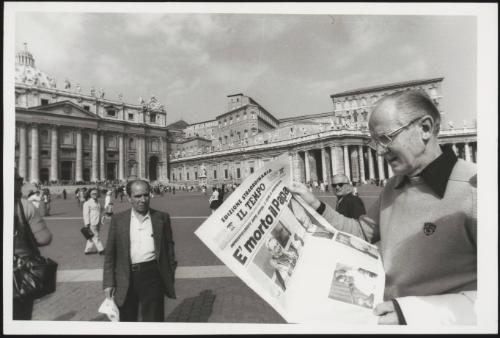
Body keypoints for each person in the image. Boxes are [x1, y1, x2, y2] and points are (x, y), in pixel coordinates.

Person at [289, 90, 477, 325]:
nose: (378, 151)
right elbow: (360, 233)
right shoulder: (393, 187)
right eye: (374, 142)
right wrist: (315, 204)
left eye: (386, 138)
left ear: (425, 128)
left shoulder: (476, 190)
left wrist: (412, 313)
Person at [103, 180, 177, 322]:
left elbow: (169, 247)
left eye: (145, 195)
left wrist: (170, 271)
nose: (142, 200)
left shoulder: (162, 217)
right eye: (137, 196)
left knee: (154, 320)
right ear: (129, 198)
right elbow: (110, 254)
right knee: (127, 321)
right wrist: (108, 282)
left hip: (153, 275)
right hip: (125, 275)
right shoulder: (118, 220)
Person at [13, 171, 52, 320]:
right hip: (19, 273)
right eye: (19, 179)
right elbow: (44, 238)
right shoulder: (24, 205)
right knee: (19, 317)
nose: (22, 182)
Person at [82, 188, 105, 255]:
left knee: (91, 237)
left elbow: (101, 210)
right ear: (90, 194)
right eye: (93, 193)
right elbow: (85, 214)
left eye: (96, 193)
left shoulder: (98, 202)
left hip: (98, 221)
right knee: (96, 236)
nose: (95, 194)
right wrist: (87, 223)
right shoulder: (87, 203)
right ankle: (101, 250)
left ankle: (87, 250)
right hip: (91, 222)